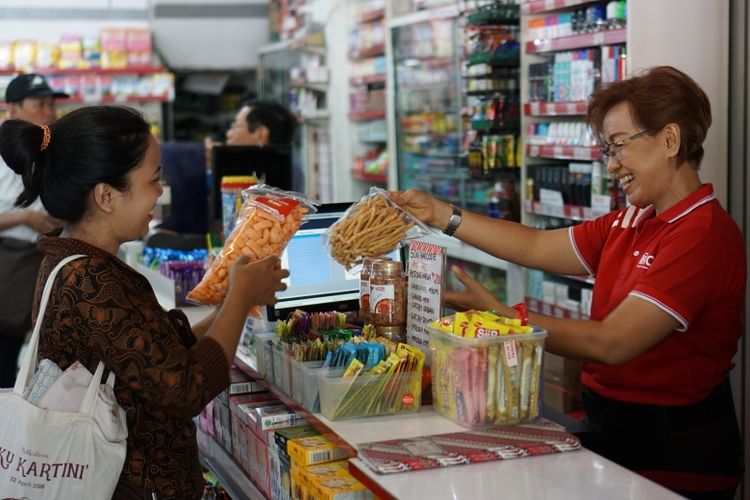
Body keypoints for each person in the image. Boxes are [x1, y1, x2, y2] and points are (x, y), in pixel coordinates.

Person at [391, 66, 745, 500]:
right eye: (606, 149)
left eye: (618, 146)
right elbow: (538, 246)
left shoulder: (702, 234)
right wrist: (441, 214)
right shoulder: (633, 220)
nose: (612, 165)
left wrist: (508, 318)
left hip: (677, 461)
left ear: (670, 140)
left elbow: (613, 343)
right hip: (614, 434)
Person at [0, 105, 289, 499]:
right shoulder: (90, 280)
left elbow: (159, 354)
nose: (160, 191)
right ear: (106, 196)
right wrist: (238, 298)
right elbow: (185, 386)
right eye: (153, 179)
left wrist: (230, 305)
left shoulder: (78, 263)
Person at [0, 73, 66, 388]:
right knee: (6, 350)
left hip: (50, 260)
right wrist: (24, 218)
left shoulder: (54, 148)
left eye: (51, 104)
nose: (48, 112)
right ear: (12, 108)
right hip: (11, 264)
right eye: (39, 104)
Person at [225, 100, 305, 193]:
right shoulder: (292, 168)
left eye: (235, 126)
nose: (228, 134)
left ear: (260, 134)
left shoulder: (276, 172)